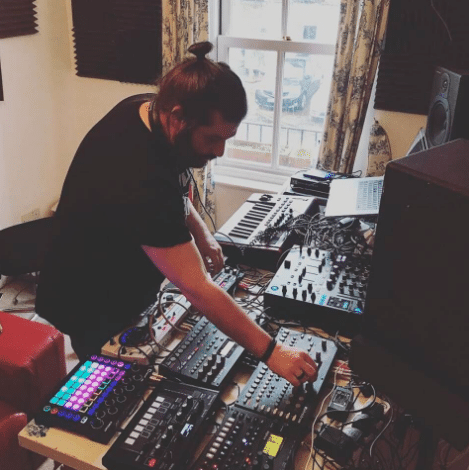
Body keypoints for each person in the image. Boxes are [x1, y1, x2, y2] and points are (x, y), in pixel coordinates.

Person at [36, 41, 318, 387]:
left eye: (227, 138)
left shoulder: (150, 109)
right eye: (212, 138)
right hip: (86, 294)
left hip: (116, 265)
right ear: (178, 118)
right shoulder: (139, 174)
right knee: (110, 384)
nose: (220, 150)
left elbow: (175, 186)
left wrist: (202, 232)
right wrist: (273, 352)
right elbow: (196, 287)